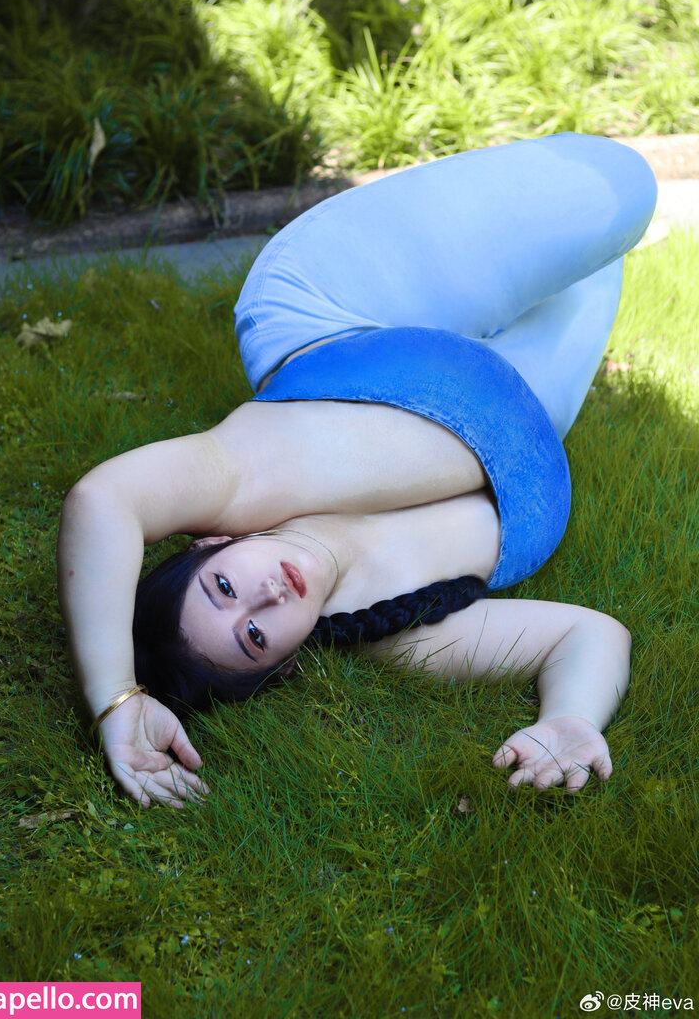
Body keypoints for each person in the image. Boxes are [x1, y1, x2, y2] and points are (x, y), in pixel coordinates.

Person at [57, 132, 658, 808]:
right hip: (527, 404)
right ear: (286, 661)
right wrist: (571, 718)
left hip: (342, 308)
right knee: (595, 258)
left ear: (210, 544)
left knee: (618, 188)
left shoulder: (236, 483)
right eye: (253, 636)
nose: (265, 596)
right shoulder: (396, 632)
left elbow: (103, 500)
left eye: (224, 586)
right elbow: (586, 634)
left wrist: (115, 699)